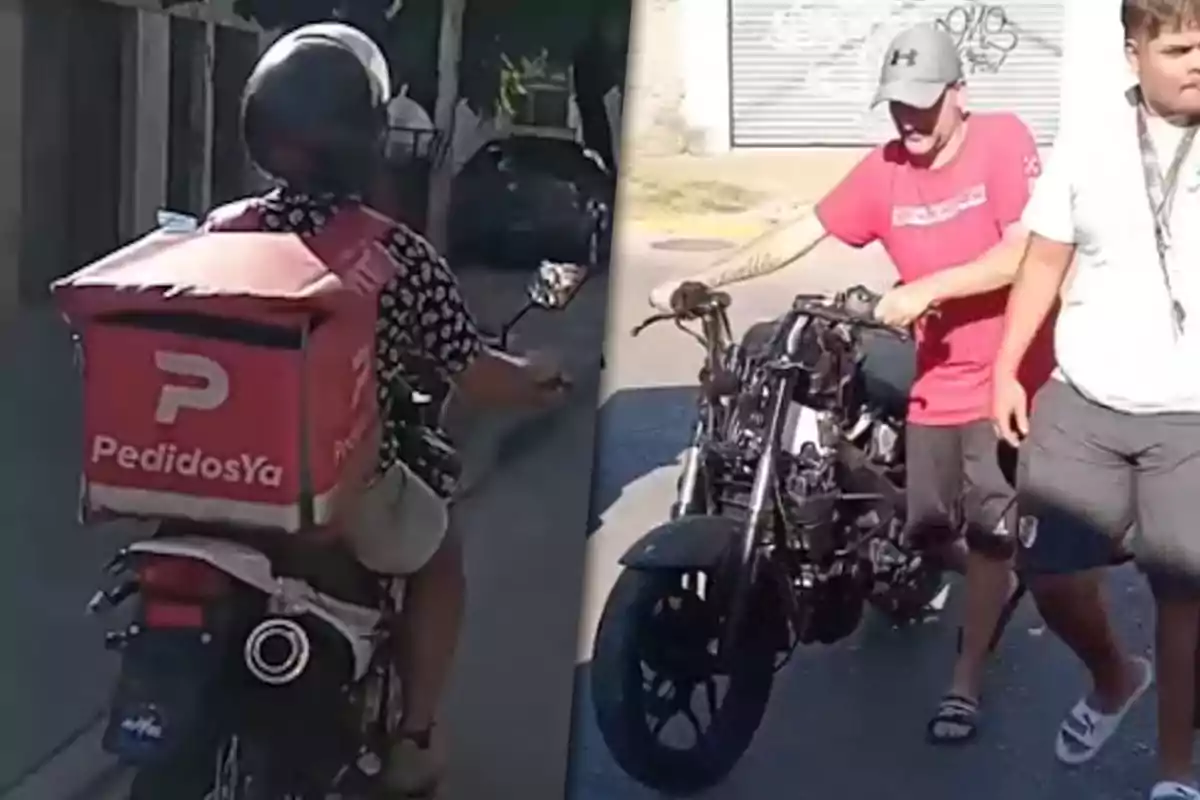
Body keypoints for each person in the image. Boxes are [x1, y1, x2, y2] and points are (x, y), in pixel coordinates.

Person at [649, 22, 1053, 744]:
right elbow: (802, 229)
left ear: (959, 95)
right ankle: (990, 574)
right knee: (928, 529)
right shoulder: (886, 167)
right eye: (898, 103)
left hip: (1006, 374)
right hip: (937, 375)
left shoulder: (1002, 139)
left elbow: (1026, 249)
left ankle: (964, 682)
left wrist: (928, 287)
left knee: (990, 528)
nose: (909, 118)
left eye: (924, 102)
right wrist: (702, 278)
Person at [209, 23, 567, 796]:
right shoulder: (396, 256)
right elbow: (472, 373)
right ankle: (415, 739)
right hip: (331, 488)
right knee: (441, 560)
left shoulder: (219, 232)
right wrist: (540, 377)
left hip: (208, 480)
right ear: (366, 137)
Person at [992, 1, 1200, 796]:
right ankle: (1115, 675)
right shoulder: (1086, 143)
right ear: (1132, 51)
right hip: (1084, 400)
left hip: (1192, 414)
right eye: (1179, 45)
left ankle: (1175, 773)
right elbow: (1042, 264)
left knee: (1184, 594)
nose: (1196, 60)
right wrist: (1005, 366)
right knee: (1048, 570)